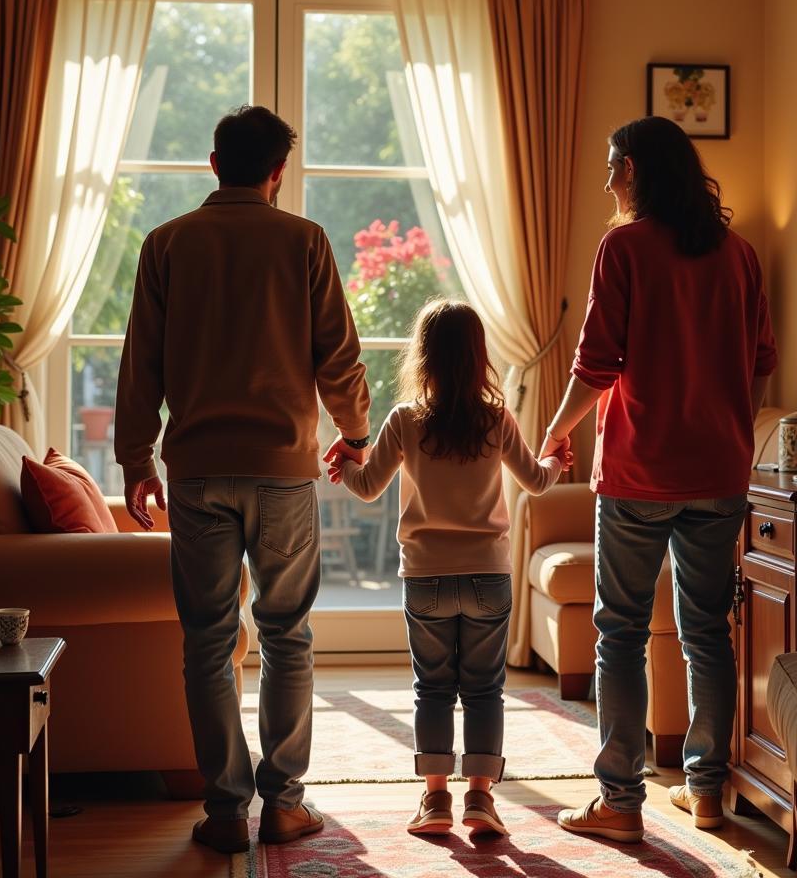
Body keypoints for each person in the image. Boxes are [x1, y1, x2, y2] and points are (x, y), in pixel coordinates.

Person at [114, 105, 370, 855]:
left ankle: (225, 810)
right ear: (276, 173)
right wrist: (355, 434)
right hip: (284, 471)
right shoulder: (305, 241)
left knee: (207, 642)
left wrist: (135, 458)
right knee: (287, 636)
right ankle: (284, 803)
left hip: (196, 472)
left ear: (214, 163)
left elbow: (141, 364)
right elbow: (339, 356)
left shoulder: (167, 244)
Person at [547, 116, 777, 843]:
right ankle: (706, 792)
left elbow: (596, 363)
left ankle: (620, 801)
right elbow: (762, 358)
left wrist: (557, 428)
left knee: (618, 633)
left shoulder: (623, 247)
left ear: (639, 169)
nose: (607, 178)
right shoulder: (738, 255)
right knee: (708, 634)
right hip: (720, 471)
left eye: (614, 164)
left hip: (641, 473)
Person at [327, 298, 571, 837]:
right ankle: (480, 802)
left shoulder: (405, 420)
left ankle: (435, 802)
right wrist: (556, 460)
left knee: (432, 689)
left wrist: (345, 463)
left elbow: (367, 488)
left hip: (426, 576)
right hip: (488, 575)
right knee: (484, 690)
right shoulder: (496, 418)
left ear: (424, 358)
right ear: (477, 356)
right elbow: (536, 481)